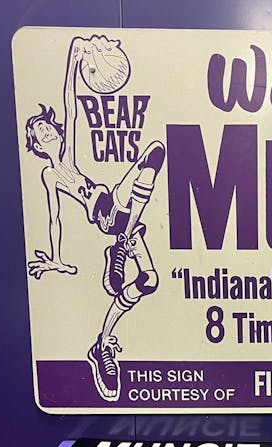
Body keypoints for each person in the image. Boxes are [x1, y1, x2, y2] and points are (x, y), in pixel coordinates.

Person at [24, 35, 166, 401]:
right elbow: (54, 217)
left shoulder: (69, 151)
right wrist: (55, 258)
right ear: (37, 146)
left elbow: (70, 106)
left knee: (148, 279)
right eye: (40, 132)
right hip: (107, 215)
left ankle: (102, 341)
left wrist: (75, 57)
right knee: (152, 158)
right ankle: (122, 245)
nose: (47, 130)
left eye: (48, 126)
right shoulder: (51, 174)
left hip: (118, 207)